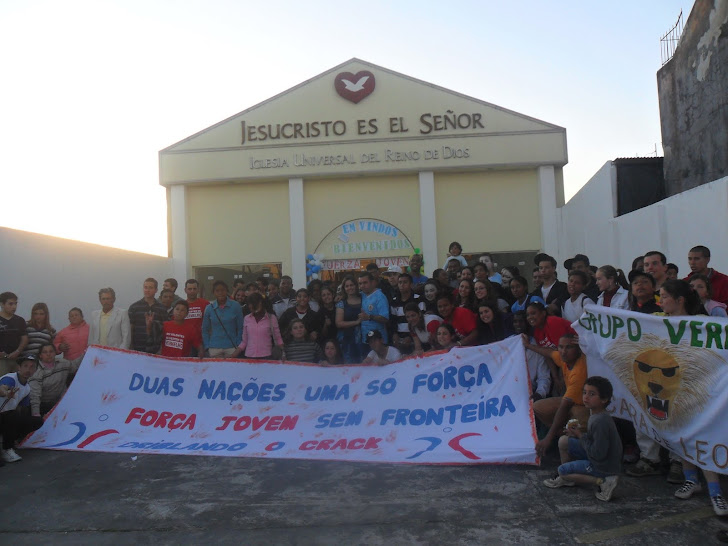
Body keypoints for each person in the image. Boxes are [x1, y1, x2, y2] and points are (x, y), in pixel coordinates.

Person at [543, 376, 622, 502]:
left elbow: (598, 454)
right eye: (584, 392)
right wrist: (576, 434)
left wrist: (580, 435)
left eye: (592, 394)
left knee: (562, 470)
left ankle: (603, 481)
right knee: (564, 441)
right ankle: (568, 479)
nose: (586, 397)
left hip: (603, 466)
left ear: (604, 399)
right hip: (600, 457)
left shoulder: (600, 421)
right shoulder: (596, 415)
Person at [523, 333, 590, 457]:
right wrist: (528, 345)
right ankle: (562, 434)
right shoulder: (563, 358)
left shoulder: (579, 370)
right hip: (570, 401)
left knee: (576, 416)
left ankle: (574, 448)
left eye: (569, 347)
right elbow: (548, 352)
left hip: (584, 406)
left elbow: (565, 405)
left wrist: (548, 438)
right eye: (561, 347)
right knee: (538, 406)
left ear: (578, 349)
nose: (563, 351)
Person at [0, 354, 43, 463]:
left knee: (36, 421)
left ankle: (9, 442)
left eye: (32, 367)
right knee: (11, 415)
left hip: (5, 418)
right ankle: (6, 448)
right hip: (3, 416)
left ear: (35, 370)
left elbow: (23, 408)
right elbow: (2, 388)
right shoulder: (10, 378)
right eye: (25, 366)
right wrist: (7, 393)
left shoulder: (27, 388)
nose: (28, 369)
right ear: (19, 367)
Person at [231, 293, 283, 360]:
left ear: (261, 303)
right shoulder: (246, 318)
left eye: (254, 305)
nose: (252, 307)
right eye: (250, 305)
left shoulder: (272, 318)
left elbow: (278, 338)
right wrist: (233, 355)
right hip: (249, 356)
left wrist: (283, 354)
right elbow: (244, 341)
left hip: (267, 357)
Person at [511, 311, 550, 401]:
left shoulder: (537, 347)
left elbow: (543, 376)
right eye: (515, 321)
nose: (518, 324)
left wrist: (540, 393)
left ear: (527, 323)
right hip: (509, 391)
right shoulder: (506, 344)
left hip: (529, 393)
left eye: (521, 321)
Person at [202, 280, 244, 358]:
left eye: (222, 290)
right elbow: (205, 329)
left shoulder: (236, 306)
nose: (220, 293)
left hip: (232, 347)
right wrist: (207, 346)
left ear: (227, 291)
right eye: (217, 291)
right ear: (213, 293)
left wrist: (238, 344)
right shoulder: (209, 308)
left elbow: (240, 327)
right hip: (214, 348)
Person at [29, 343, 71, 416]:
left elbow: (77, 365)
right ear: (40, 355)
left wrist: (89, 352)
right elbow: (34, 396)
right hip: (43, 405)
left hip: (62, 404)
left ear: (55, 353)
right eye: (45, 352)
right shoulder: (36, 372)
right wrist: (36, 415)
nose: (48, 354)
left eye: (51, 351)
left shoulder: (63, 363)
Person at [128, 278, 168, 353]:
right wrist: (131, 346)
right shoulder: (134, 307)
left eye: (150, 288)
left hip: (156, 349)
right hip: (138, 348)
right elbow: (131, 328)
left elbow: (165, 329)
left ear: (156, 290)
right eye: (145, 287)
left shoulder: (162, 308)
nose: (147, 290)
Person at [390, 273, 424, 355]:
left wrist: (411, 336)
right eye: (400, 282)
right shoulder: (394, 301)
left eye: (405, 282)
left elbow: (422, 320)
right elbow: (393, 321)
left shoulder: (418, 299)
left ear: (411, 284)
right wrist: (395, 335)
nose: (402, 285)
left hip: (417, 340)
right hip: (400, 342)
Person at [358, 272, 390, 356]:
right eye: (360, 283)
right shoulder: (362, 295)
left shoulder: (380, 296)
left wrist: (369, 317)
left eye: (365, 283)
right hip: (365, 340)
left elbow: (385, 318)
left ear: (373, 282)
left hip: (379, 341)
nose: (362, 286)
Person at [335, 276, 363, 364]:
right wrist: (356, 322)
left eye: (352, 285)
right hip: (347, 341)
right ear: (344, 288)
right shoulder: (341, 303)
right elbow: (339, 323)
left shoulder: (364, 299)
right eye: (347, 286)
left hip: (364, 340)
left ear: (356, 286)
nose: (350, 288)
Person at [0, 292, 29, 376]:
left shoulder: (20, 320)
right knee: (3, 385)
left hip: (17, 359)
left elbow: (24, 338)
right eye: (10, 304)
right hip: (1, 360)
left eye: (15, 304)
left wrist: (18, 351)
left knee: (17, 385)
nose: (14, 307)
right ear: (2, 304)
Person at [54, 307, 89, 375]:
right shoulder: (63, 332)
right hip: (71, 367)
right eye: (71, 316)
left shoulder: (91, 329)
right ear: (69, 319)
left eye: (76, 315)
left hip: (88, 364)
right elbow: (54, 346)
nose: (74, 317)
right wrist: (59, 347)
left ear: (82, 316)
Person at [184, 279, 209, 354]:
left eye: (194, 289)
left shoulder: (205, 304)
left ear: (198, 290)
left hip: (203, 342)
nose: (192, 291)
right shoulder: (182, 305)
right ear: (185, 290)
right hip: (188, 342)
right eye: (189, 289)